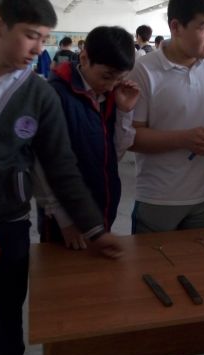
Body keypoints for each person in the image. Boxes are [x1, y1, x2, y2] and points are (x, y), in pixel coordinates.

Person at [0, 0, 123, 355]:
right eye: (31, 36)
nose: (38, 49)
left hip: (7, 223)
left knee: (7, 326)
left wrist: (94, 229)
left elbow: (61, 166)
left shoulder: (40, 94)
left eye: (44, 39)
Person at [128, 0, 204, 233]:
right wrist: (185, 139)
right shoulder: (144, 70)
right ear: (176, 27)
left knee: (201, 257)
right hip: (159, 197)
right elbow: (131, 137)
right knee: (152, 258)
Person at [35, 26, 139, 245]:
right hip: (65, 216)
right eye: (106, 77)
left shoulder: (110, 95)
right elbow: (41, 164)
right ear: (84, 58)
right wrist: (65, 220)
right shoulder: (55, 95)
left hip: (103, 205)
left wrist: (124, 111)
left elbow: (116, 153)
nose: (110, 86)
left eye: (119, 79)